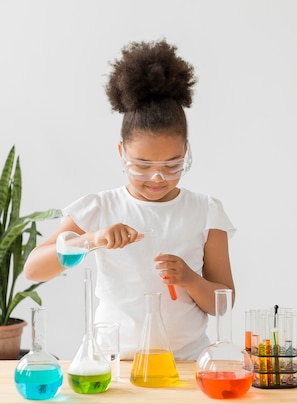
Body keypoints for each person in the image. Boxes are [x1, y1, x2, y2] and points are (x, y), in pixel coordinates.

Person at [24, 39, 236, 361]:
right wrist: (91, 239)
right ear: (122, 152)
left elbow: (224, 301)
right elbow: (34, 269)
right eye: (142, 165)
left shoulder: (205, 210)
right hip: (111, 365)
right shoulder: (99, 207)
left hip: (186, 365)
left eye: (172, 165)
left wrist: (190, 279)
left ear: (187, 151)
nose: (157, 178)